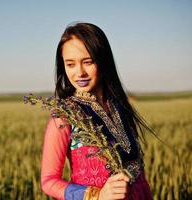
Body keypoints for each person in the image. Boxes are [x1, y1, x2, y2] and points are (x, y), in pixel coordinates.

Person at [40, 22, 153, 200]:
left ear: (103, 61)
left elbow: (139, 171)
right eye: (70, 64)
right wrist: (95, 195)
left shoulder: (120, 106)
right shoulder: (66, 116)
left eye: (88, 62)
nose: (80, 73)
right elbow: (48, 181)